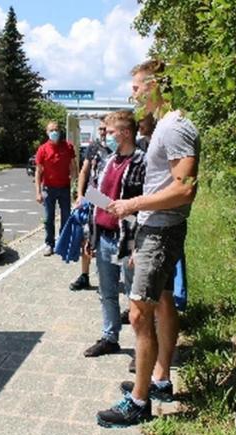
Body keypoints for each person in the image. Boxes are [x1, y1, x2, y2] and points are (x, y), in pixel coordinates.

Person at [96, 59, 200, 428]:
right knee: (163, 301)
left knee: (139, 313)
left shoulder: (174, 126)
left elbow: (184, 188)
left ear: (156, 86)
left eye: (138, 87)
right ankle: (158, 380)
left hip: (161, 228)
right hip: (155, 227)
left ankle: (138, 403)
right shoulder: (165, 125)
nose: (134, 93)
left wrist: (133, 204)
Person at [83, 111, 146, 358]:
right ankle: (110, 337)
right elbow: (95, 196)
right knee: (107, 292)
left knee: (136, 296)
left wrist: (138, 242)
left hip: (129, 240)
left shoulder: (143, 162)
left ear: (126, 133)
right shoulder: (109, 160)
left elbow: (146, 208)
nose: (106, 137)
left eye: (111, 132)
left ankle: (142, 350)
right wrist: (91, 235)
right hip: (105, 238)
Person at [70, 117, 112, 290]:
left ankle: (110, 278)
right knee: (86, 238)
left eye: (106, 129)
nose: (103, 132)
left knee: (109, 240)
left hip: (111, 201)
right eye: (101, 129)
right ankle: (85, 275)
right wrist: (80, 195)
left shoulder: (118, 149)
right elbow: (84, 171)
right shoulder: (93, 148)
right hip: (93, 197)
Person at [35, 121, 78, 256]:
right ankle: (49, 244)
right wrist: (38, 192)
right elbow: (38, 172)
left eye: (57, 129)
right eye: (51, 130)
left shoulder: (68, 146)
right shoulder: (43, 149)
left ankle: (62, 243)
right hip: (49, 189)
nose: (54, 132)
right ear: (47, 133)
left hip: (65, 188)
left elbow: (73, 167)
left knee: (66, 217)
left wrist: (75, 186)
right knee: (49, 218)